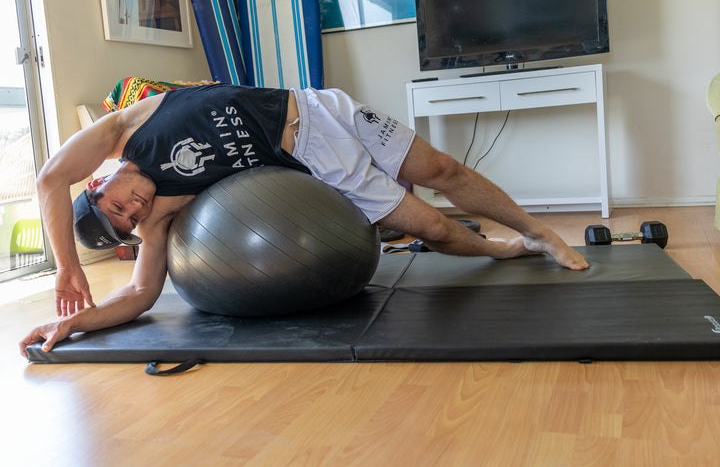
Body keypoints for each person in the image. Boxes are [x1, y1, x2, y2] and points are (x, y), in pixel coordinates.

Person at [20, 84, 588, 357]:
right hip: (315, 161)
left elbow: (48, 178)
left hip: (318, 107)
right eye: (127, 222)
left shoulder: (124, 126)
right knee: (433, 227)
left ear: (100, 179)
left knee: (441, 167)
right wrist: (76, 322)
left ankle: (538, 229)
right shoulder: (160, 215)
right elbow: (143, 294)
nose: (134, 210)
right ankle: (508, 249)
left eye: (119, 205)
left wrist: (65, 270)